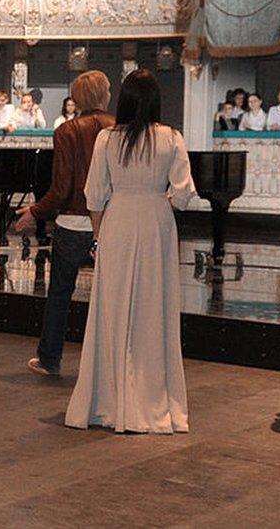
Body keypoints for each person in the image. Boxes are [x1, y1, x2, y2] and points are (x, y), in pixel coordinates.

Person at [65, 69, 196, 434]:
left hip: (117, 222)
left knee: (112, 308)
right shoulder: (171, 137)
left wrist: (97, 237)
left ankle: (107, 401)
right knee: (154, 309)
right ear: (156, 101)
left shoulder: (107, 139)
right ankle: (152, 399)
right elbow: (184, 194)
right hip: (156, 222)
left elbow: (94, 195)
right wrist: (160, 202)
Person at [12, 71, 115, 377]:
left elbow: (62, 188)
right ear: (102, 95)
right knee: (111, 298)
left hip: (72, 224)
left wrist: (35, 210)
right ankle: (110, 364)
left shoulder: (68, 130)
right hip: (109, 223)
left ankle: (49, 359)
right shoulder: (117, 128)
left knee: (59, 294)